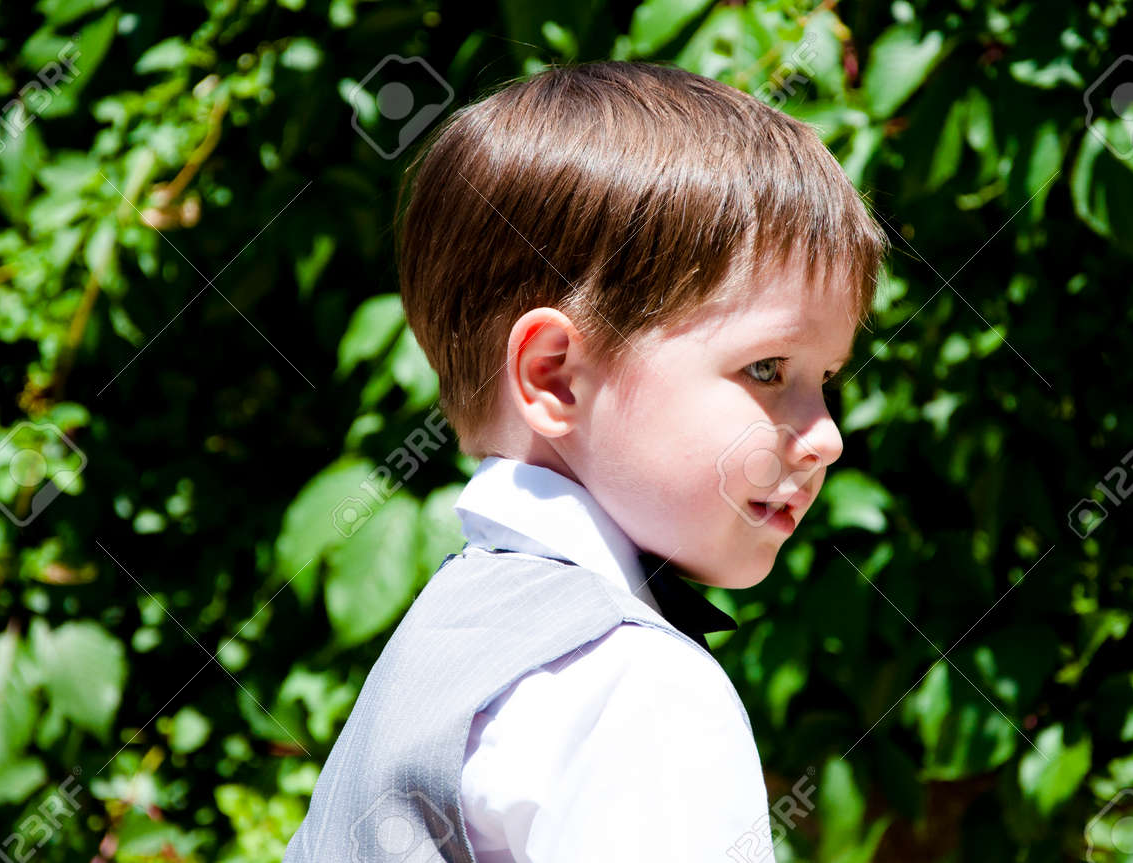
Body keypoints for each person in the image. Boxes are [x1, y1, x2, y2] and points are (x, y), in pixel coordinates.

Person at [284, 59, 886, 863]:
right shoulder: (633, 691)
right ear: (555, 376)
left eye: (827, 380)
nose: (826, 435)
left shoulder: (450, 642)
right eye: (767, 370)